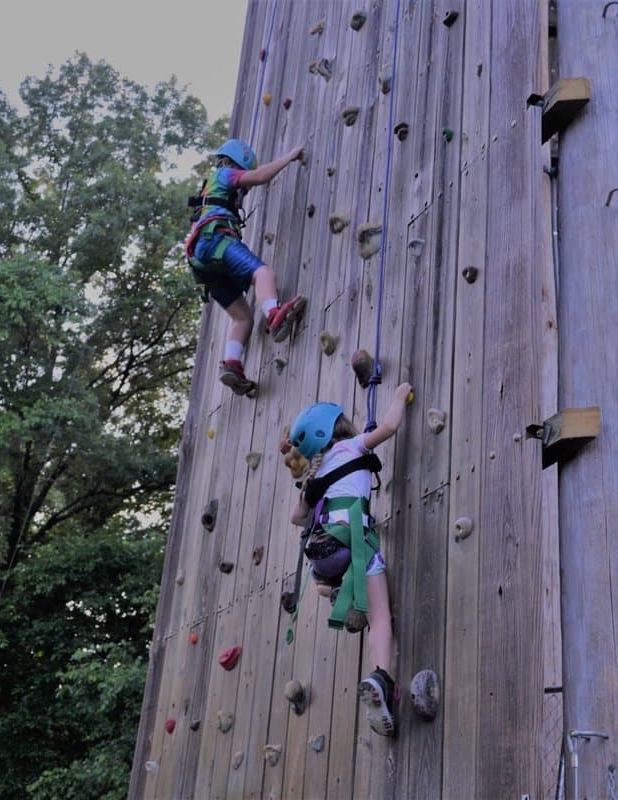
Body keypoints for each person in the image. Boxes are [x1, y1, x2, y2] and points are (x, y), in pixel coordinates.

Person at [287, 383, 412, 737]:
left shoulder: (315, 475)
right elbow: (388, 427)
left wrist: (308, 489)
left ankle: (343, 593)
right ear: (336, 427)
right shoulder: (351, 446)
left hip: (324, 557)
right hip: (355, 542)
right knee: (381, 617)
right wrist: (400, 396)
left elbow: (297, 519)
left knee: (336, 591)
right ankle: (381, 676)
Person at [185, 138, 307, 396]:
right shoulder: (225, 173)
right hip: (214, 239)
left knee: (242, 317)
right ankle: (274, 315)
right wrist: (291, 155)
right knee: (262, 273)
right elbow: (260, 176)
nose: (244, 190)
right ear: (232, 163)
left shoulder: (210, 188)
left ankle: (232, 363)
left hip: (200, 261)